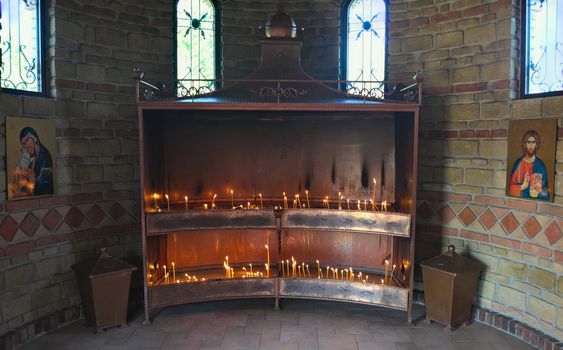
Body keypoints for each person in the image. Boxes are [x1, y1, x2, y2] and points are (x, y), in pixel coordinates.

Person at [11, 127, 54, 198]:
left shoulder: (45, 156)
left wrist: (33, 181)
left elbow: (47, 186)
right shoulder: (30, 155)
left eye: (25, 143)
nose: (24, 146)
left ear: (34, 140)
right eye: (23, 144)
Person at [508, 129, 549, 200]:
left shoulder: (540, 165)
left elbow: (546, 193)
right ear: (525, 144)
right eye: (528, 142)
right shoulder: (518, 163)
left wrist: (538, 192)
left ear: (536, 144)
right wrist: (523, 186)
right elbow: (510, 188)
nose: (531, 145)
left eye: (533, 142)